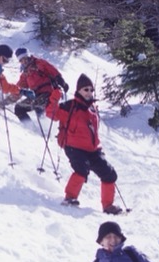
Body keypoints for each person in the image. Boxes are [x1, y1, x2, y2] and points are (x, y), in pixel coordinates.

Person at [46, 74, 123, 214]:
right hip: (73, 147)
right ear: (79, 90)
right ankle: (70, 198)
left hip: (93, 149)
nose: (89, 92)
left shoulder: (93, 107)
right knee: (81, 170)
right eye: (85, 89)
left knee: (109, 174)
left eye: (91, 90)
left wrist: (98, 148)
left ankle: (108, 206)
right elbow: (51, 113)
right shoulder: (69, 107)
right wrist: (55, 95)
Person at [12, 47, 69, 123]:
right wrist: (7, 100)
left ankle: (44, 127)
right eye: (21, 60)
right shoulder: (25, 74)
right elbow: (19, 88)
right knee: (19, 108)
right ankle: (31, 128)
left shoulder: (39, 63)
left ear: (28, 56)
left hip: (49, 93)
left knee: (39, 106)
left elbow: (53, 71)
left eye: (25, 58)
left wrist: (62, 82)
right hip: (36, 96)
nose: (24, 61)